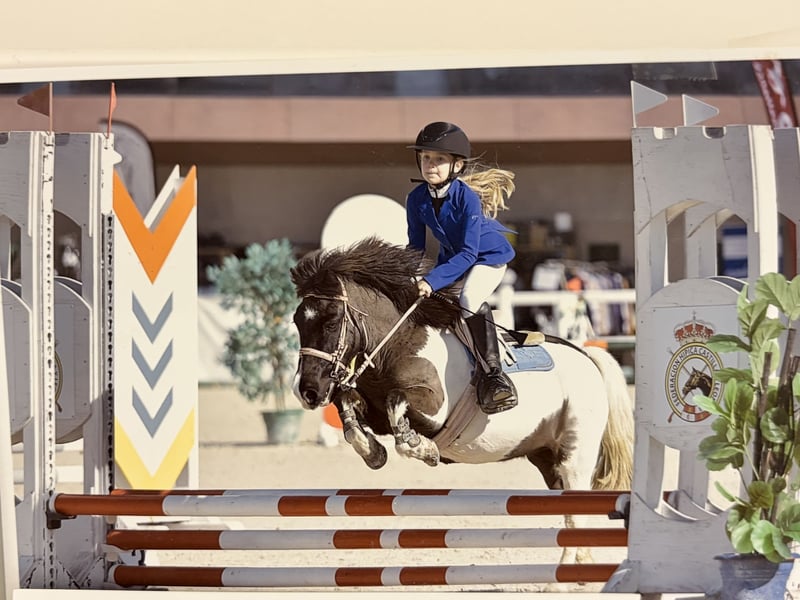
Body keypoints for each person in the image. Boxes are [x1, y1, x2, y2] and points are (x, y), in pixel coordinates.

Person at [405, 121, 518, 414]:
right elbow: (415, 248)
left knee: (468, 299)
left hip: (487, 257)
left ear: (456, 165)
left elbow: (469, 253)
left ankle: (494, 375)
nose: (430, 164)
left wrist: (431, 281)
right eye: (425, 157)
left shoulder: (466, 197)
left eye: (438, 159)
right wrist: (406, 276)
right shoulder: (416, 199)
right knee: (437, 305)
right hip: (454, 259)